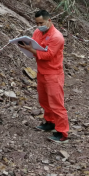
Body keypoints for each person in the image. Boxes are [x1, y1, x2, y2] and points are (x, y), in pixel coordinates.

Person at [19, 10, 69, 143]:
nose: (39, 25)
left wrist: (30, 50)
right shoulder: (37, 32)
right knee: (44, 100)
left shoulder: (57, 37)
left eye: (41, 23)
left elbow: (48, 55)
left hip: (54, 74)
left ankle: (62, 132)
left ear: (49, 21)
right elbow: (35, 45)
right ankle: (50, 122)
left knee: (56, 104)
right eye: (36, 23)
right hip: (41, 72)